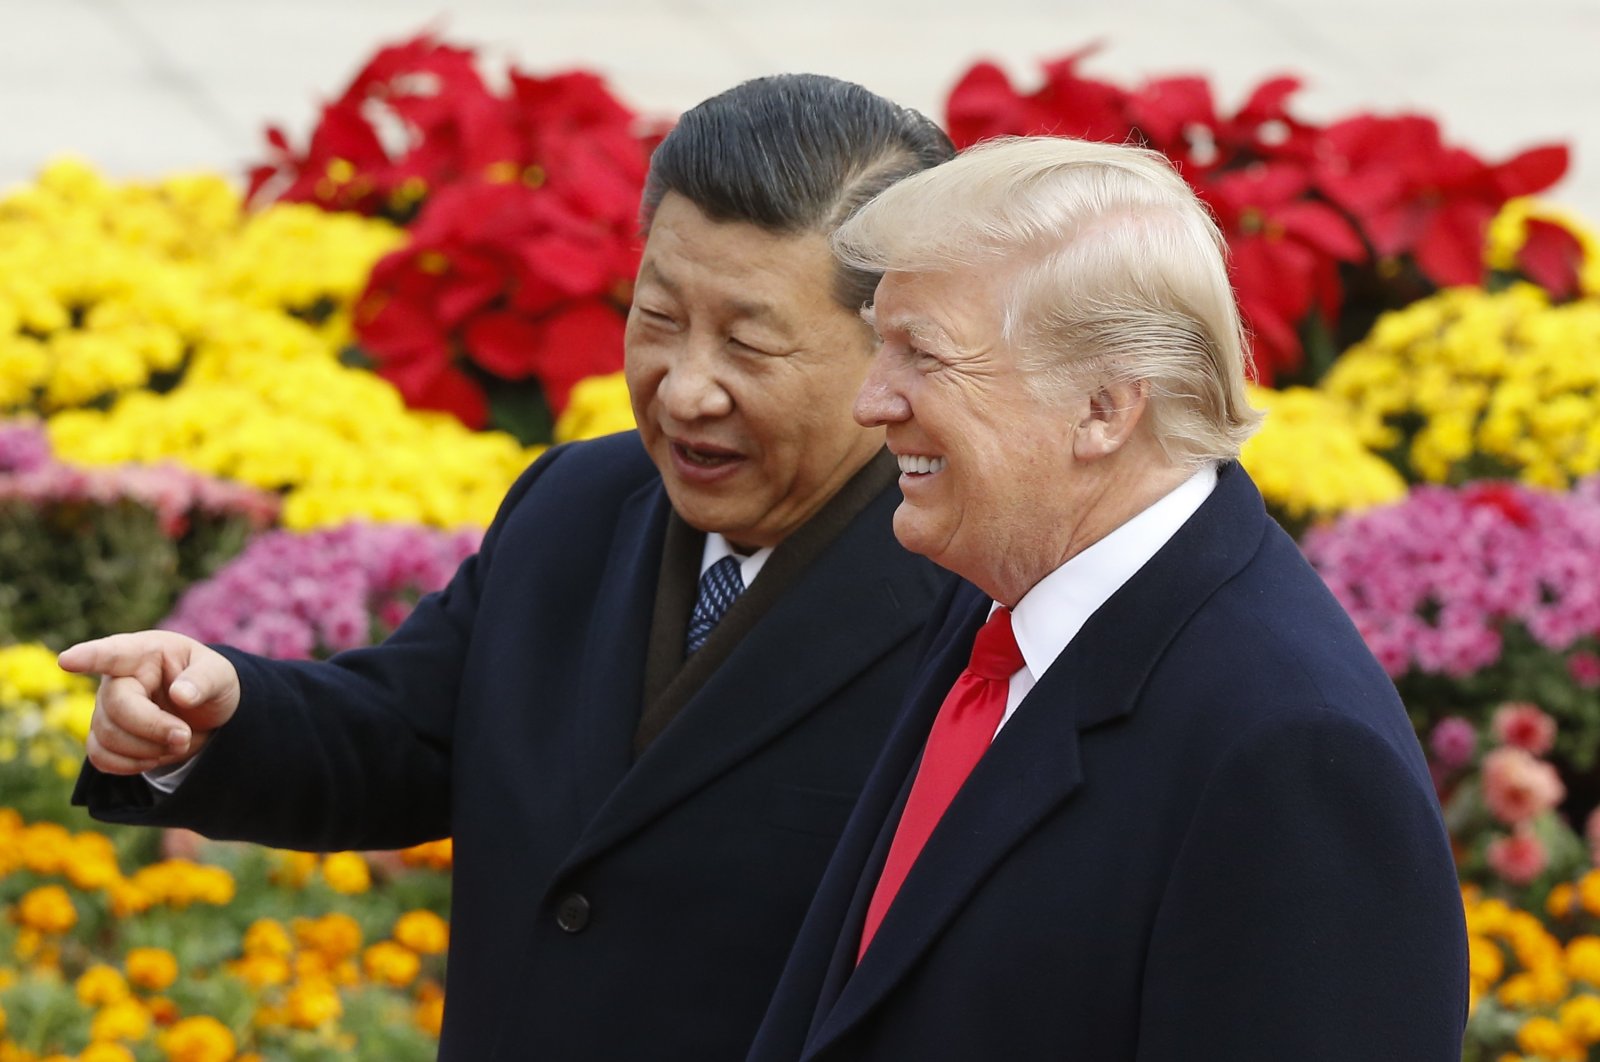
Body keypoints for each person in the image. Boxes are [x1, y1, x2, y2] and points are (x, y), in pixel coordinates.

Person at [59, 74, 955, 1061]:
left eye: (749, 344)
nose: (686, 388)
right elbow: (408, 733)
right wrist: (213, 714)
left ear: (894, 347)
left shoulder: (970, 593)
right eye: (657, 318)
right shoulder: (577, 504)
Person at [745, 136, 1469, 1062]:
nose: (872, 400)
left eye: (921, 355)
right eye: (879, 344)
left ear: (1104, 407)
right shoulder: (1005, 587)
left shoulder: (1294, 756)